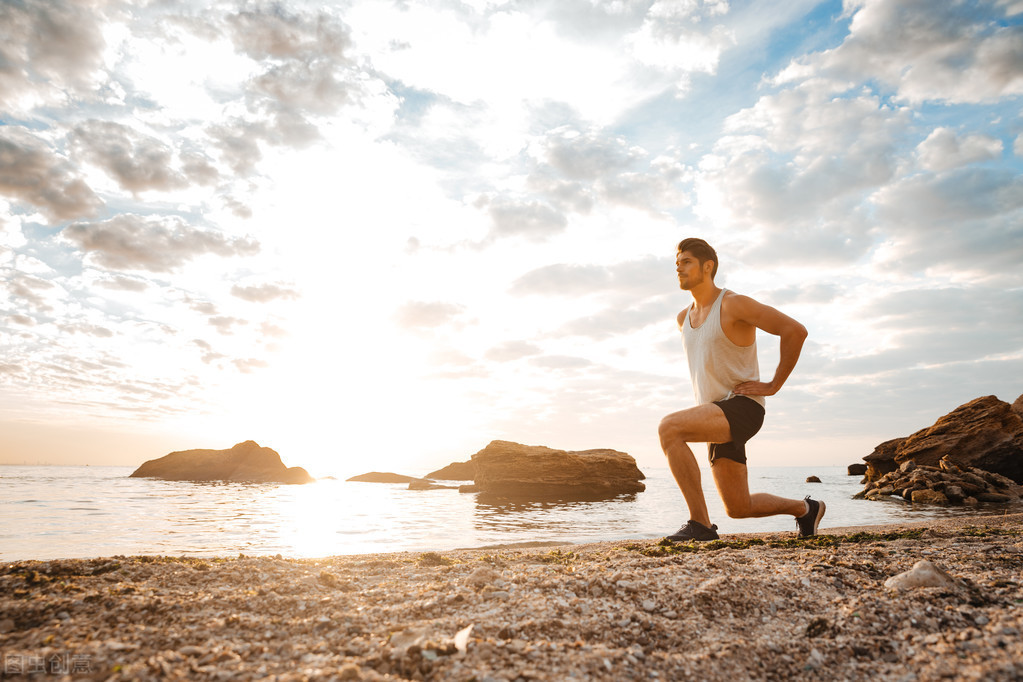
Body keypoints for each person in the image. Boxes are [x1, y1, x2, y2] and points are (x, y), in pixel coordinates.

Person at [658, 237, 825, 541]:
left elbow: (794, 330)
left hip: (743, 407)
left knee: (670, 428)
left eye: (686, 262)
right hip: (714, 413)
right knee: (738, 506)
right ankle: (806, 509)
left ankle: (700, 525)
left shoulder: (734, 304)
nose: (679, 269)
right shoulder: (684, 318)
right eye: (677, 264)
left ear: (707, 267)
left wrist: (774, 384)